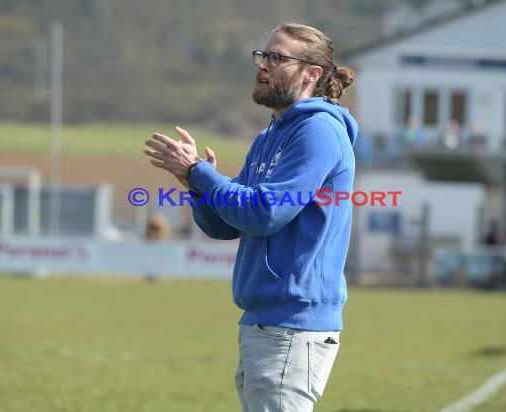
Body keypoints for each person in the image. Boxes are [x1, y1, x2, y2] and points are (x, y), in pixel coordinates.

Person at [144, 22, 357, 412]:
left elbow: (264, 213)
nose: (264, 65)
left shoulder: (319, 132)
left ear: (311, 73)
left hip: (292, 325)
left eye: (278, 57)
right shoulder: (268, 137)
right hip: (263, 321)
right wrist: (195, 185)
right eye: (264, 55)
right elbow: (226, 224)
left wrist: (200, 173)